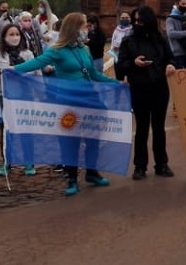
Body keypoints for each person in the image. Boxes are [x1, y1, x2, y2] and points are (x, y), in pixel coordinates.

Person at [13, 13, 119, 196]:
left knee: (93, 138)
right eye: (84, 26)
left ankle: (92, 172)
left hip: (89, 99)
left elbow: (93, 73)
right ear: (74, 28)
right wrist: (12, 70)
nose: (87, 30)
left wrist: (115, 83)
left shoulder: (84, 49)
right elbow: (37, 62)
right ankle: (71, 178)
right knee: (70, 140)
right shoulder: (57, 50)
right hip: (68, 101)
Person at [116, 5, 177, 179]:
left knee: (159, 128)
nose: (137, 24)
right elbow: (120, 67)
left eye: (140, 21)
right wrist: (133, 63)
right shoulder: (128, 41)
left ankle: (162, 163)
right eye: (135, 21)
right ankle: (140, 166)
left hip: (159, 87)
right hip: (139, 88)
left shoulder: (160, 39)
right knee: (142, 128)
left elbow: (170, 58)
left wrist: (170, 65)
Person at [0, 22, 36, 177]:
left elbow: (34, 72)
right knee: (6, 130)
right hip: (4, 96)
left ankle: (29, 161)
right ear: (4, 37)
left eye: (17, 34)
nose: (14, 37)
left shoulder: (27, 54)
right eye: (11, 34)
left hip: (23, 96)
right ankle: (7, 161)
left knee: (25, 129)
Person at [165, 0, 186, 68]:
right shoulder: (170, 19)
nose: (185, 6)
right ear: (177, 4)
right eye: (183, 4)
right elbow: (171, 33)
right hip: (178, 53)